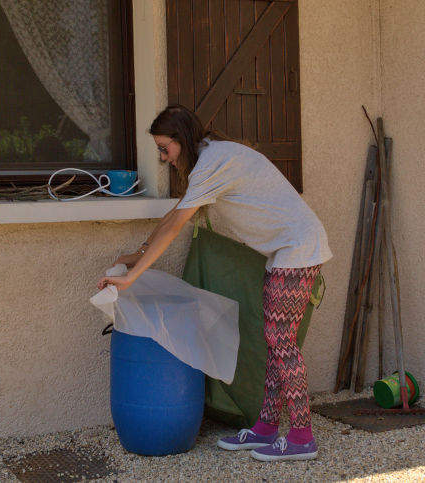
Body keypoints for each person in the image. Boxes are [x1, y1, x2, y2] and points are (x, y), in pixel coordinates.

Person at [96, 104, 332, 462]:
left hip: (298, 248)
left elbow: (176, 227)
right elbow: (176, 214)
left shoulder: (211, 163)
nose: (162, 158)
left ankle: (301, 437)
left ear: (183, 140)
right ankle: (266, 428)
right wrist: (138, 253)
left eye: (165, 148)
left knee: (282, 343)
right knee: (276, 342)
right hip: (287, 251)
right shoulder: (210, 159)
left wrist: (133, 276)